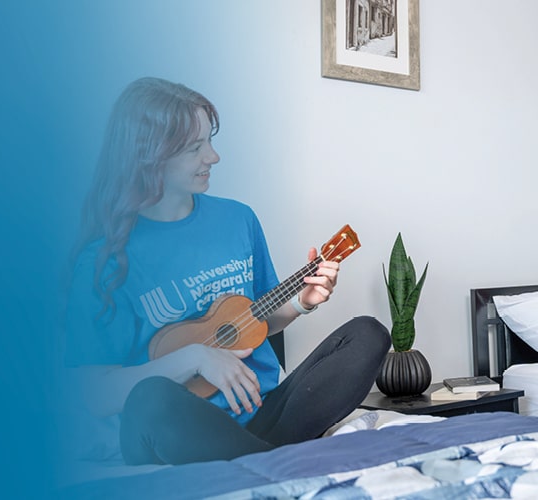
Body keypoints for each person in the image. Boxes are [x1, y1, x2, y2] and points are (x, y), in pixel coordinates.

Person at [60, 77, 390, 466]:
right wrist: (196, 358)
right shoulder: (105, 261)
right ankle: (275, 466)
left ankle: (263, 466)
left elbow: (258, 322)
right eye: (195, 148)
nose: (213, 157)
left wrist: (302, 303)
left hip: (265, 415)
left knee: (368, 333)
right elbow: (95, 394)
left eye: (210, 142)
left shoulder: (238, 219)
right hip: (182, 430)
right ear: (147, 156)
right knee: (149, 399)